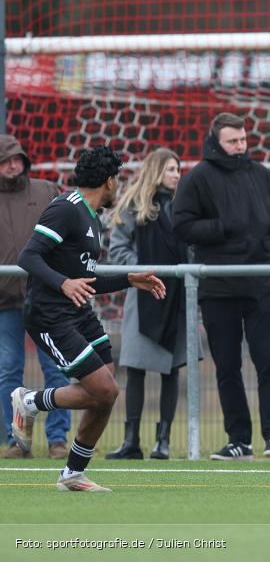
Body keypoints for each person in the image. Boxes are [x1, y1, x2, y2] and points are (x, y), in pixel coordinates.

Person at [12, 145, 166, 491]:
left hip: (78, 312)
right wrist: (63, 283)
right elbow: (28, 256)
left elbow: (85, 280)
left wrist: (128, 279)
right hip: (50, 315)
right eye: (118, 180)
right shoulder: (66, 209)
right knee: (104, 389)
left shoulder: (91, 217)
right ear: (110, 181)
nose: (119, 186)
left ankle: (72, 474)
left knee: (105, 393)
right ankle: (29, 401)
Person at [173, 113, 270, 461]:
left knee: (268, 363)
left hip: (261, 287)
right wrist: (223, 227)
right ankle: (239, 440)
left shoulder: (262, 175)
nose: (240, 146)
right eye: (232, 141)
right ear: (216, 141)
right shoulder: (197, 179)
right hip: (218, 289)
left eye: (243, 140)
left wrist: (268, 225)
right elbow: (181, 225)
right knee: (227, 368)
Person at [106, 148, 190, 460]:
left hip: (178, 295)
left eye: (178, 169)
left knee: (172, 369)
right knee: (136, 369)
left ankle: (162, 441)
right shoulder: (134, 205)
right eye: (171, 169)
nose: (177, 175)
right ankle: (131, 441)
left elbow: (195, 246)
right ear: (156, 171)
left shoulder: (186, 206)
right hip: (142, 296)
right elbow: (118, 249)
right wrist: (142, 272)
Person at [0, 135, 71, 460]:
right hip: (5, 301)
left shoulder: (46, 190)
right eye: (5, 161)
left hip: (45, 297)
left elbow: (70, 228)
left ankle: (58, 439)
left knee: (56, 368)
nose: (12, 165)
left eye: (16, 159)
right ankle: (17, 440)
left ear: (24, 161)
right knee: (8, 371)